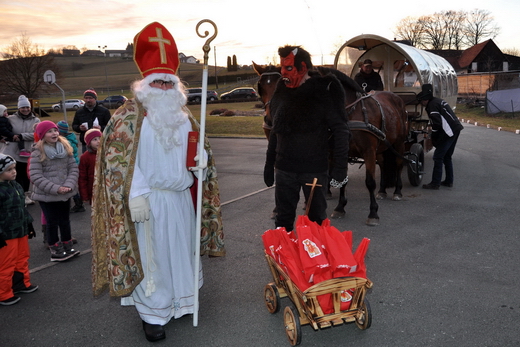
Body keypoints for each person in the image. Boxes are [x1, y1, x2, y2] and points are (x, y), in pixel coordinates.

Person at [90, 22, 225, 343]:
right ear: (146, 84)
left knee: (180, 255)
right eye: (159, 82)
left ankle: (181, 303)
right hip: (147, 204)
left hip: (179, 201)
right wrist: (134, 194)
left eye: (169, 82)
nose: (164, 87)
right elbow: (119, 161)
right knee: (154, 261)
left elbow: (197, 149)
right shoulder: (127, 118)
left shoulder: (185, 117)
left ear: (176, 85)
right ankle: (152, 315)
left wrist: (201, 165)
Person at [263, 45, 350, 232]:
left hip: (314, 171)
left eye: (288, 68)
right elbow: (277, 130)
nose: (283, 73)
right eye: (281, 68)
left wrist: (340, 167)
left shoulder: (324, 89)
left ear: (302, 68)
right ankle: (285, 260)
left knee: (316, 222)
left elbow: (341, 129)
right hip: (285, 169)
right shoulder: (282, 90)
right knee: (282, 221)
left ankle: (314, 260)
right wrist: (269, 164)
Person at [29, 121, 80, 261]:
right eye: (50, 131)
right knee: (52, 222)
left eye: (55, 130)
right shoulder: (37, 152)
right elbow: (36, 176)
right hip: (47, 195)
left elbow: (73, 169)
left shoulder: (65, 148)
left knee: (65, 220)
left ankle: (67, 244)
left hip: (65, 192)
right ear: (42, 135)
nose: (54, 133)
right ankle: (55, 248)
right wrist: (57, 188)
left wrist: (68, 185)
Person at [0, 154, 38, 306]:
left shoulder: (16, 185)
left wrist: (28, 224)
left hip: (20, 230)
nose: (14, 172)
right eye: (9, 170)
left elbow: (22, 208)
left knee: (22, 257)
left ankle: (21, 283)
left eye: (14, 168)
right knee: (6, 263)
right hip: (5, 234)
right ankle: (3, 293)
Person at [417, 84, 464, 190]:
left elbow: (437, 123)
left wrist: (433, 135)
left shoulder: (431, 106)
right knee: (447, 156)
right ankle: (449, 181)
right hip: (456, 128)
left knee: (438, 157)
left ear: (425, 100)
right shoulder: (437, 101)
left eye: (421, 102)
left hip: (449, 131)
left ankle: (435, 183)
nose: (421, 104)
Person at [2, 95, 40, 205]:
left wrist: (22, 136)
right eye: (23, 107)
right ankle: (16, 195)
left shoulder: (35, 120)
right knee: (14, 174)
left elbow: (36, 134)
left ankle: (26, 195)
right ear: (19, 108)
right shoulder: (10, 119)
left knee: (25, 174)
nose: (25, 109)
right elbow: (4, 129)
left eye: (27, 107)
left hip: (27, 150)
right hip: (12, 150)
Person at [57, 120, 84, 213]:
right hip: (74, 164)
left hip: (70, 166)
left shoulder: (66, 142)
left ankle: (78, 203)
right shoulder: (71, 139)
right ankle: (78, 202)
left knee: (70, 184)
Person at [71, 89, 111, 153]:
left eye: (90, 98)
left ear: (95, 99)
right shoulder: (79, 112)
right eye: (86, 98)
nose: (88, 100)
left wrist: (101, 128)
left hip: (100, 142)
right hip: (86, 143)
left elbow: (110, 127)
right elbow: (74, 125)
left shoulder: (104, 111)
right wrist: (79, 128)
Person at [78, 128, 101, 205]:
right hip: (93, 190)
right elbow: (82, 177)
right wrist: (84, 195)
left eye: (100, 138)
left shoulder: (108, 154)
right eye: (95, 139)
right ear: (89, 143)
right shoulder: (85, 157)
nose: (98, 141)